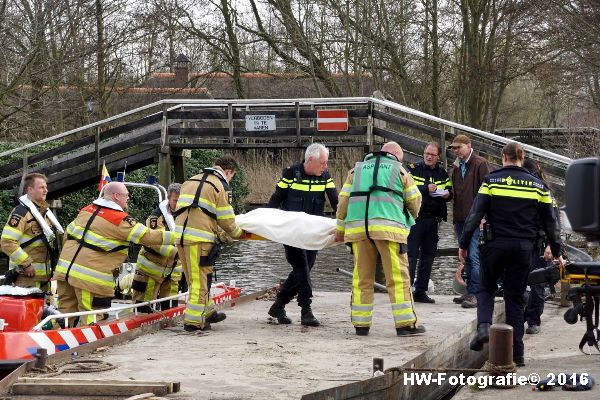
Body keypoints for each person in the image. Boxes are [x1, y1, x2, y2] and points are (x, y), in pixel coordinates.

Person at [459, 142, 561, 367]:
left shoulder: (491, 181)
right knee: (514, 299)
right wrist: (556, 250)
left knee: (485, 288)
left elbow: (475, 215)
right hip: (523, 249)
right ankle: (517, 355)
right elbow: (551, 223)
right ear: (521, 158)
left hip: (494, 246)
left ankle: (484, 326)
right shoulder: (538, 186)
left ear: (504, 157)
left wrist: (464, 244)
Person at [54, 182, 178, 326]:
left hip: (64, 272)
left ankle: (58, 345)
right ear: (116, 196)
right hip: (89, 278)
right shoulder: (119, 219)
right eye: (126, 195)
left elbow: (67, 235)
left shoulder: (86, 210)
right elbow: (147, 236)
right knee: (92, 317)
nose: (128, 198)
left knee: (64, 315)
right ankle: (87, 348)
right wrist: (178, 236)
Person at [335, 141, 423, 336]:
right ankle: (405, 324)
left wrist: (340, 230)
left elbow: (342, 203)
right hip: (389, 231)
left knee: (362, 278)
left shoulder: (354, 171)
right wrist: (408, 219)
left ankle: (361, 325)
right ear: (396, 156)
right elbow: (415, 201)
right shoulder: (399, 171)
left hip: (359, 231)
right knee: (397, 278)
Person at [266, 143, 338, 327]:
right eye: (322, 163)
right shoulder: (291, 174)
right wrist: (264, 221)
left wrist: (345, 224)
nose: (325, 166)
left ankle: (279, 304)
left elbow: (336, 202)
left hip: (313, 232)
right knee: (301, 267)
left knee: (306, 267)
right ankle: (306, 310)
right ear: (310, 160)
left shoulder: (325, 177)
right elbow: (276, 198)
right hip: (292, 232)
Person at [175, 155, 245, 332]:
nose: (230, 179)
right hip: (200, 241)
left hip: (181, 238)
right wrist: (238, 234)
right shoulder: (220, 185)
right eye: (232, 176)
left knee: (194, 279)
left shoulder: (190, 181)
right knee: (200, 281)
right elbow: (227, 219)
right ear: (228, 171)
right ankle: (193, 322)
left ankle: (208, 311)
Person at [449, 134, 492, 308]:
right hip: (460, 218)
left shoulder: (480, 164)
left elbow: (489, 192)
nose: (456, 151)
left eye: (459, 147)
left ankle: (475, 293)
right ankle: (469, 291)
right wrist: (454, 219)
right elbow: (457, 196)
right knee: (465, 256)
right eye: (454, 148)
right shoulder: (456, 167)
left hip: (476, 219)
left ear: (469, 145)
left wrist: (485, 217)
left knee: (474, 256)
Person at [407, 142, 452, 303]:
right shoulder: (413, 168)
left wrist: (447, 195)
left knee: (428, 257)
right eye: (427, 153)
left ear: (438, 157)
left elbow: (449, 192)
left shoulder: (443, 174)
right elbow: (406, 188)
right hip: (415, 219)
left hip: (433, 220)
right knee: (411, 256)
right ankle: (407, 291)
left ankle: (420, 291)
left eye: (432, 154)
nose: (429, 156)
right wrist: (427, 188)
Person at [1, 173, 63, 289]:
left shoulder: (44, 212)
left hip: (44, 278)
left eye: (46, 187)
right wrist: (26, 264)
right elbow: (7, 242)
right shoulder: (21, 213)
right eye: (41, 187)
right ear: (30, 190)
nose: (46, 190)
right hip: (25, 279)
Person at [132, 183, 182, 312]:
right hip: (151, 270)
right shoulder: (155, 218)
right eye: (176, 201)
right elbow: (154, 243)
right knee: (143, 307)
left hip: (172, 272)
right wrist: (178, 253)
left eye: (181, 201)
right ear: (169, 198)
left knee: (171, 308)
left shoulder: (184, 215)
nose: (178, 204)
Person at [522, 159, 557, 335]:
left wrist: (551, 245)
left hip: (540, 244)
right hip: (522, 243)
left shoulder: (545, 191)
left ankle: (534, 320)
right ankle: (523, 315)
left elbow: (553, 222)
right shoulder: (521, 188)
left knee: (537, 284)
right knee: (519, 282)